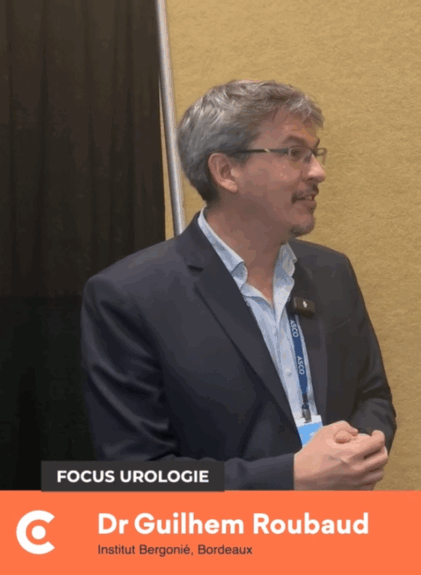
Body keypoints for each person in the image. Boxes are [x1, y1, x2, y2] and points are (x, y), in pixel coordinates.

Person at [81, 80, 396, 490]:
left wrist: (359, 451)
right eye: (294, 153)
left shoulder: (332, 272)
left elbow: (372, 395)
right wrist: (290, 477)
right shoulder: (128, 296)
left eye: (314, 154)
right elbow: (136, 474)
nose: (318, 172)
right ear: (226, 171)